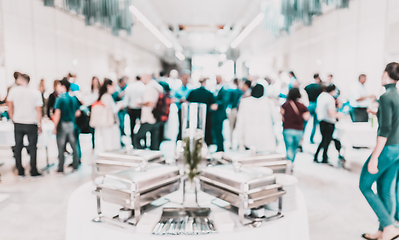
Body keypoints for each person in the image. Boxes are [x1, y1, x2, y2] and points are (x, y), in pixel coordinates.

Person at [359, 62, 399, 240]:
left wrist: (375, 156)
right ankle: (383, 231)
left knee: (365, 185)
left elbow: (385, 130)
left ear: (385, 74)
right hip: (397, 149)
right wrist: (377, 113)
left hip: (387, 148)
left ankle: (389, 227)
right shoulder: (396, 95)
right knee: (385, 190)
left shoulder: (385, 97)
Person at [7, 73, 43, 177]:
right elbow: (38, 110)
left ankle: (20, 170)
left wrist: (12, 118)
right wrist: (40, 124)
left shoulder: (13, 91)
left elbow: (10, 107)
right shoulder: (35, 92)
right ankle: (33, 170)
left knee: (18, 147)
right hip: (31, 122)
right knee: (32, 147)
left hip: (18, 122)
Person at [236, 84, 278, 152]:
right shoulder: (269, 102)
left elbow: (240, 123)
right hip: (266, 138)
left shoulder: (244, 102)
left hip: (249, 139)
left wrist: (240, 141)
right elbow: (276, 119)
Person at [52, 78, 81, 173]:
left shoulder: (60, 98)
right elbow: (78, 112)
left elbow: (57, 113)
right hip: (72, 124)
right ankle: (75, 165)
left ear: (63, 86)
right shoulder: (73, 97)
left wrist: (55, 127)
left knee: (61, 147)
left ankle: (61, 167)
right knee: (74, 145)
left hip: (63, 124)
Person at [133, 74, 164, 150]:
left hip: (149, 117)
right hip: (156, 117)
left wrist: (140, 103)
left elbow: (151, 103)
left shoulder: (150, 88)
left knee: (137, 138)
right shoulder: (157, 87)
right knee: (154, 142)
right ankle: (154, 157)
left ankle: (142, 155)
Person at [314, 84, 343, 164]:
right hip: (329, 122)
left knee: (324, 140)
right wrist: (339, 115)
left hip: (321, 120)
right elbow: (331, 112)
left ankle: (317, 156)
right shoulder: (330, 99)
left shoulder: (321, 96)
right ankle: (323, 157)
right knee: (326, 141)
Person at [94, 79, 125, 152]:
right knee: (110, 144)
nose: (114, 88)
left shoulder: (107, 96)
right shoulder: (106, 96)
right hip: (109, 124)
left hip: (110, 124)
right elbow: (112, 110)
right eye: (113, 85)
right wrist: (119, 105)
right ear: (108, 86)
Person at [281, 88, 310, 162]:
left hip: (287, 129)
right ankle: (291, 162)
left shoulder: (285, 104)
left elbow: (281, 116)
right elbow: (307, 117)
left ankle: (289, 163)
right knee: (294, 148)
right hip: (298, 130)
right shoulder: (302, 106)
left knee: (289, 148)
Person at [186, 77, 217, 146]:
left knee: (195, 131)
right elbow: (213, 105)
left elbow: (187, 102)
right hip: (206, 116)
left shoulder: (193, 92)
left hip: (194, 116)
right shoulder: (209, 93)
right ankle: (205, 145)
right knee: (206, 131)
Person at [124, 75, 146, 147]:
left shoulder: (130, 86)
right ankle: (143, 140)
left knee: (132, 124)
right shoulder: (144, 86)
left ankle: (133, 140)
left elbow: (127, 98)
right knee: (142, 124)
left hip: (132, 108)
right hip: (141, 108)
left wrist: (127, 105)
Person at [211, 75, 230, 152]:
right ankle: (218, 147)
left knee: (219, 131)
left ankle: (220, 148)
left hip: (220, 114)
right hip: (215, 114)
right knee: (215, 131)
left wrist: (217, 104)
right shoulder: (215, 88)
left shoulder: (224, 89)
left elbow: (225, 100)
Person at [304, 73, 324, 143]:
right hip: (316, 105)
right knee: (315, 124)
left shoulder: (308, 86)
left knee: (305, 122)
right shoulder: (320, 87)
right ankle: (311, 138)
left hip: (309, 104)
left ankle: (302, 137)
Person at [174, 70, 192, 141]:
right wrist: (180, 100)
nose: (186, 80)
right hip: (181, 110)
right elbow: (173, 99)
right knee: (181, 127)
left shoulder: (191, 88)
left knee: (189, 127)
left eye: (187, 78)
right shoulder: (177, 88)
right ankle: (179, 142)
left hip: (190, 111)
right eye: (184, 78)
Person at [228, 78, 243, 149]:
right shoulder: (241, 91)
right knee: (238, 128)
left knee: (231, 128)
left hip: (233, 109)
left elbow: (229, 101)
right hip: (239, 110)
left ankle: (231, 144)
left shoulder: (231, 91)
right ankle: (239, 143)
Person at [112, 76, 128, 140]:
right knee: (119, 122)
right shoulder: (116, 89)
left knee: (123, 122)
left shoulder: (125, 87)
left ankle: (122, 132)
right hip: (117, 109)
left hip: (122, 108)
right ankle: (120, 134)